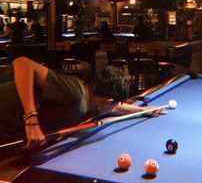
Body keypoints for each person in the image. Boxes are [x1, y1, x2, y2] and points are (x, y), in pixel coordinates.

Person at [0, 57, 160, 149]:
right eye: (112, 104)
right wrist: (31, 120)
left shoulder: (92, 100)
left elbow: (115, 106)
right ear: (107, 102)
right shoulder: (75, 92)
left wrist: (142, 111)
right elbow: (22, 63)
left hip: (8, 128)